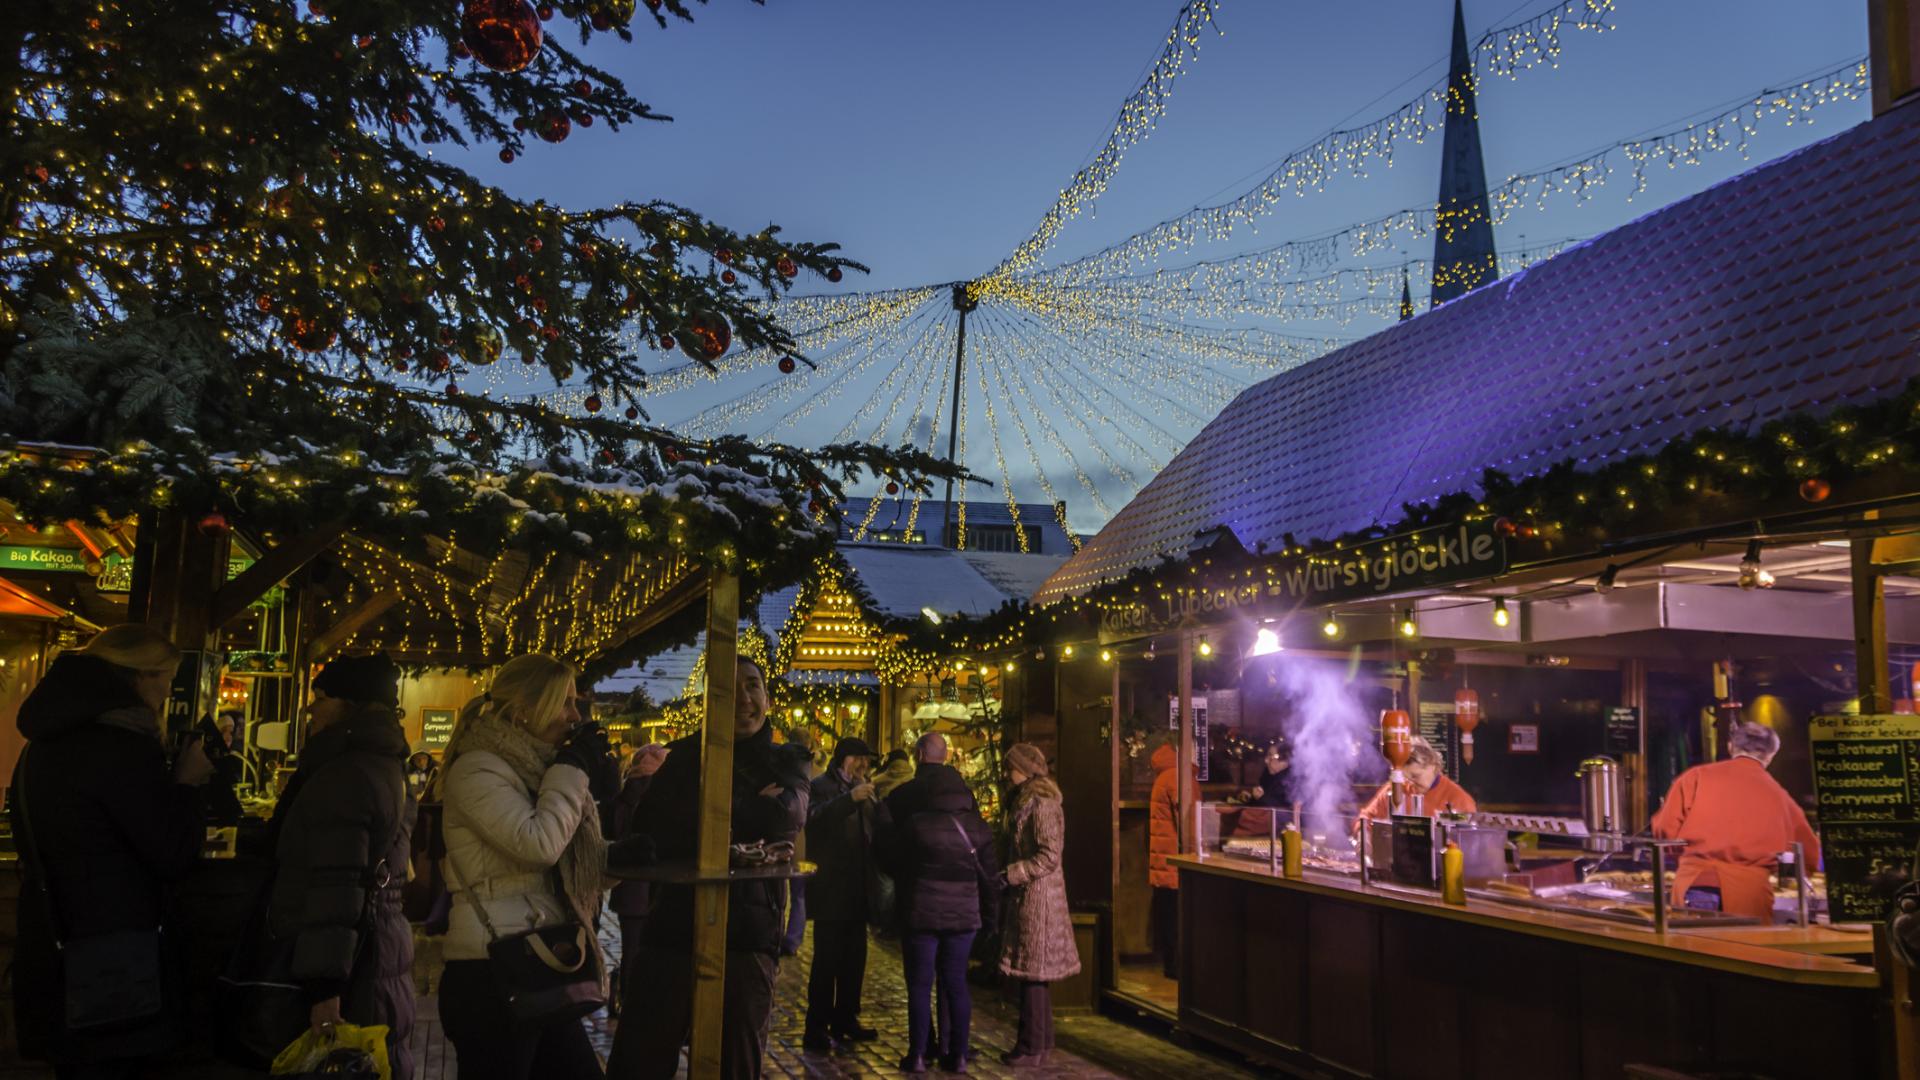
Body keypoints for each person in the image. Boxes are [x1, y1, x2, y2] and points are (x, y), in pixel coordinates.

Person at [9, 625, 213, 1080]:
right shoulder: (121, 748)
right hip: (119, 968)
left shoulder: (41, 746)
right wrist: (186, 784)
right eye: (165, 678)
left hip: (54, 949)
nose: (168, 691)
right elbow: (174, 853)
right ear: (138, 677)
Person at [611, 657, 810, 1080]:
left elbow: (782, 820)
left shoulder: (788, 760)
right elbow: (650, 831)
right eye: (729, 686)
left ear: (767, 698)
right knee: (639, 1058)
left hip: (749, 933)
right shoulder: (683, 756)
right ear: (709, 699)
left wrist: (706, 813)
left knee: (735, 1063)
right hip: (673, 925)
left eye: (753, 686)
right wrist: (747, 811)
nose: (743, 698)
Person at [436, 654, 611, 1080]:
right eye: (565, 703)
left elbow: (560, 865)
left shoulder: (535, 771)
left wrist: (615, 858)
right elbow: (539, 846)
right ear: (521, 712)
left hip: (539, 960)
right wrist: (572, 769)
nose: (575, 716)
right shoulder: (477, 769)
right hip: (490, 971)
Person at [265, 654, 416, 1079]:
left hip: (347, 965)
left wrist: (324, 988)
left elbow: (336, 882)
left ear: (351, 704)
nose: (311, 707)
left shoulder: (347, 772)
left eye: (321, 696)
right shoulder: (380, 762)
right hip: (373, 951)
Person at [875, 732, 999, 1074]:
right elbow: (989, 878)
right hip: (963, 916)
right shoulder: (977, 826)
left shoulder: (915, 819)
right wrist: (991, 920)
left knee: (919, 984)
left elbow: (892, 859)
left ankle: (917, 1053)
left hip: (921, 911)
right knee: (955, 982)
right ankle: (956, 1053)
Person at [1652, 722, 1821, 920]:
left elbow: (1665, 830)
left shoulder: (1695, 777)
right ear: (1771, 754)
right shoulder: (1779, 795)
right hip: (1750, 896)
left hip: (1696, 884)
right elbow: (1809, 853)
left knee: (1696, 949)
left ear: (1731, 746)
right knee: (1744, 950)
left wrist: (1686, 859)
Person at [997, 743, 1080, 1068]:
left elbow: (1048, 855)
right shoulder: (1027, 801)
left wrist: (1014, 873)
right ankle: (1039, 1043)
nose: (1006, 774)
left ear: (1026, 770)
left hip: (1039, 898)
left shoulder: (1041, 804)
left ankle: (1031, 1045)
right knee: (1034, 974)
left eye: (1011, 768)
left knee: (1033, 972)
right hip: (1032, 895)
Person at [803, 736, 879, 1052]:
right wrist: (850, 799)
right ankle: (817, 1026)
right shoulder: (821, 785)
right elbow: (813, 820)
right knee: (827, 962)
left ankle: (846, 1017)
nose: (864, 765)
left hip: (858, 887)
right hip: (831, 888)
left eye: (868, 760)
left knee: (854, 960)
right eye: (860, 759)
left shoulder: (865, 786)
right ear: (845, 759)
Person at [606, 742, 667, 1017]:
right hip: (656, 887)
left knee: (631, 949)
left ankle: (627, 999)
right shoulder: (661, 798)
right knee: (652, 951)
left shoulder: (622, 796)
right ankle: (642, 1002)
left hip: (628, 887)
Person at [1356, 737, 1477, 823]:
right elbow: (1365, 817)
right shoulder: (1395, 789)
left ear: (1433, 765)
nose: (1409, 783)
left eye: (1415, 776)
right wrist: (1364, 838)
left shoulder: (1459, 799)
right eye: (1405, 777)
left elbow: (1469, 834)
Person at [782, 728, 820, 957]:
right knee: (798, 894)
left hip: (779, 839)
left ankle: (778, 935)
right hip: (804, 844)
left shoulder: (779, 766)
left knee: (777, 890)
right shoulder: (817, 774)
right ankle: (793, 939)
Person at [1147, 739, 1181, 980]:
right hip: (1175, 860)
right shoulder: (1177, 778)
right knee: (1176, 916)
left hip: (1162, 859)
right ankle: (1177, 967)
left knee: (1168, 913)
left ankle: (1171, 964)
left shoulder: (1164, 776)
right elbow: (1186, 820)